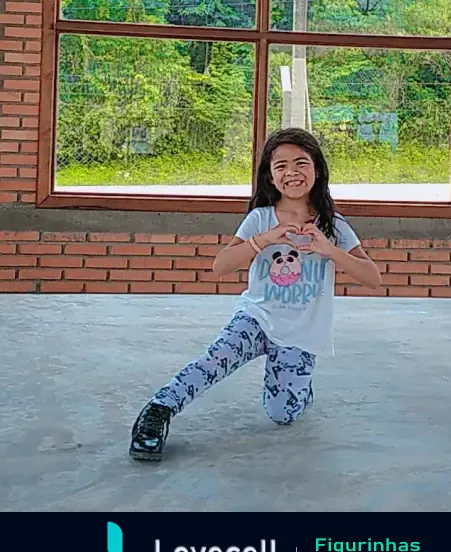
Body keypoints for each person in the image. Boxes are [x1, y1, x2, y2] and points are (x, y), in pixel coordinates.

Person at [129, 127, 382, 461]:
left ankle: (298, 388)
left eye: (301, 163)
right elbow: (220, 266)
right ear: (271, 177)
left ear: (317, 170)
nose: (292, 172)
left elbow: (373, 278)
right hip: (256, 318)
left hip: (301, 333)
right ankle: (157, 412)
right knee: (213, 361)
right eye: (281, 166)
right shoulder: (260, 219)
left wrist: (329, 249)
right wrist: (265, 239)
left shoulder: (333, 226)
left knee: (283, 415)